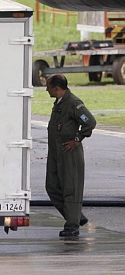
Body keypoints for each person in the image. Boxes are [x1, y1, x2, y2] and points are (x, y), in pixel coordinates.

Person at [45, 73, 96, 238]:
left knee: (70, 188)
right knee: (52, 186)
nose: (46, 90)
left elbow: (90, 121)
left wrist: (78, 139)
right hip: (55, 151)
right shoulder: (60, 102)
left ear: (57, 88)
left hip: (69, 152)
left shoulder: (73, 103)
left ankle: (72, 225)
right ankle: (75, 216)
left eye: (49, 87)